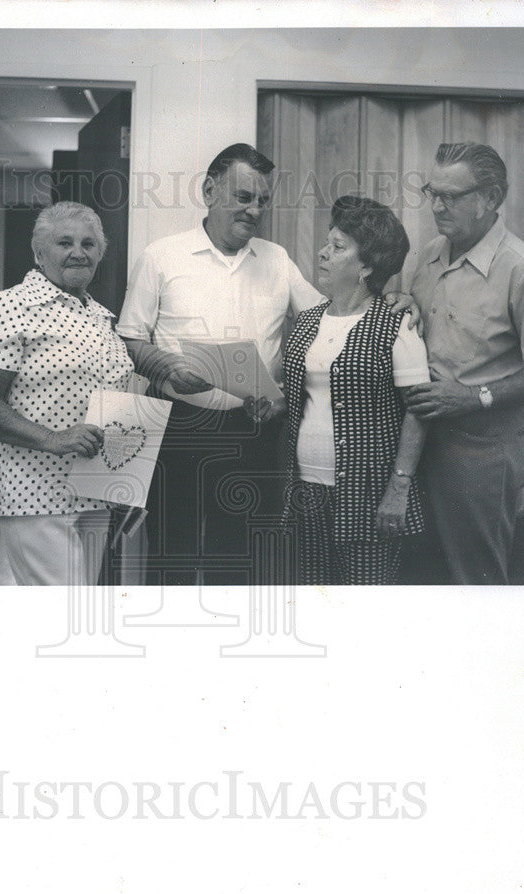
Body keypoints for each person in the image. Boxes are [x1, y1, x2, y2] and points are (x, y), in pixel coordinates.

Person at [116, 143, 421, 585]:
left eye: (262, 200)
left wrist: (392, 294)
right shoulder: (161, 256)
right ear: (209, 190)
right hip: (177, 426)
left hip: (253, 428)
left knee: (238, 555)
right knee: (171, 552)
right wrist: (165, 367)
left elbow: (339, 311)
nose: (255, 209)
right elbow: (128, 337)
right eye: (244, 197)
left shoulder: (276, 259)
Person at [406, 142, 524, 584]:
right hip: (420, 447)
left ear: (490, 199)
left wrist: (475, 396)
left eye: (451, 196)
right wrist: (400, 300)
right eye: (433, 192)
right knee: (426, 579)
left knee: (477, 583)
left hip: (484, 455)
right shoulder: (428, 254)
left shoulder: (522, 268)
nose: (437, 205)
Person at [0, 202, 134, 586]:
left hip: (96, 493)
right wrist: (52, 438)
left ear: (100, 253)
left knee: (79, 617)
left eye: (89, 243)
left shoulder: (100, 317)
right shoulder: (11, 306)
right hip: (35, 495)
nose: (78, 252)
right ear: (39, 253)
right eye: (64, 242)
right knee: (60, 616)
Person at [282, 196, 430, 585]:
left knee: (365, 608)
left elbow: (418, 410)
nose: (323, 253)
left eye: (338, 247)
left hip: (369, 496)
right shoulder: (310, 319)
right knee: (313, 602)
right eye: (328, 243)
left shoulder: (396, 323)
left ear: (366, 266)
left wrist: (399, 488)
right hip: (305, 490)